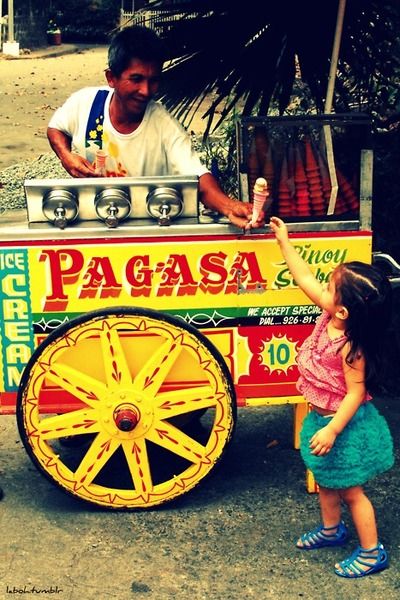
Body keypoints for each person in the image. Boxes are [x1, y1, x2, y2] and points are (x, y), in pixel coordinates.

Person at [270, 216, 394, 578]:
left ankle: (372, 552)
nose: (323, 289)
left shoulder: (351, 348)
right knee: (326, 480)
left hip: (341, 426)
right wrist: (284, 242)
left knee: (352, 491)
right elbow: (304, 277)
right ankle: (331, 530)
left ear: (342, 310)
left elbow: (355, 394)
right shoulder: (332, 315)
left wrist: (333, 431)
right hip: (322, 420)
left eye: (331, 287)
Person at [47, 25, 260, 229]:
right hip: (96, 222)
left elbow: (199, 178)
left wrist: (229, 206)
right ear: (111, 78)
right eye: (136, 79)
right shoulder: (86, 103)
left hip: (150, 228)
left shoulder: (164, 126)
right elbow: (56, 128)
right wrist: (66, 155)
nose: (146, 91)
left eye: (154, 80)